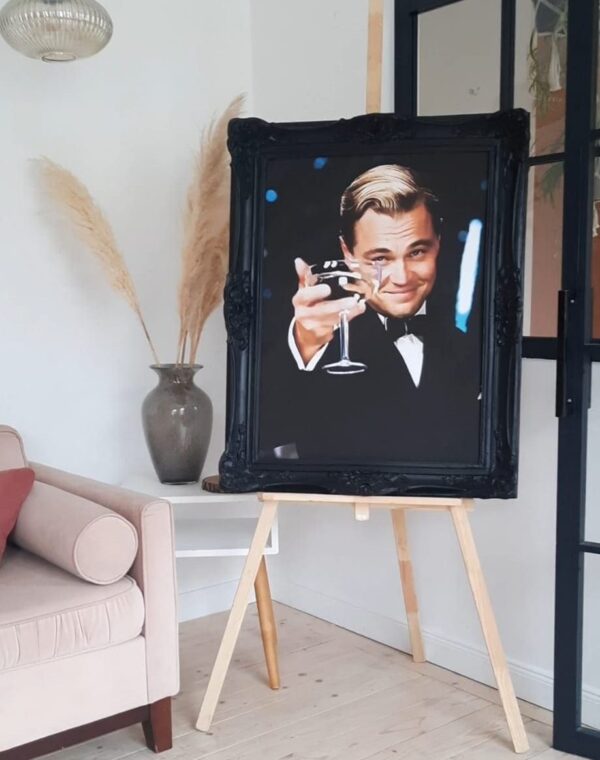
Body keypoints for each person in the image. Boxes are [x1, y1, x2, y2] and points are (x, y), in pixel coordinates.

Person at [259, 164, 482, 465]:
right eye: (380, 258)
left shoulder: (470, 348)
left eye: (417, 252)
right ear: (347, 253)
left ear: (438, 241)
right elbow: (264, 435)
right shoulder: (319, 346)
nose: (402, 277)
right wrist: (304, 345)